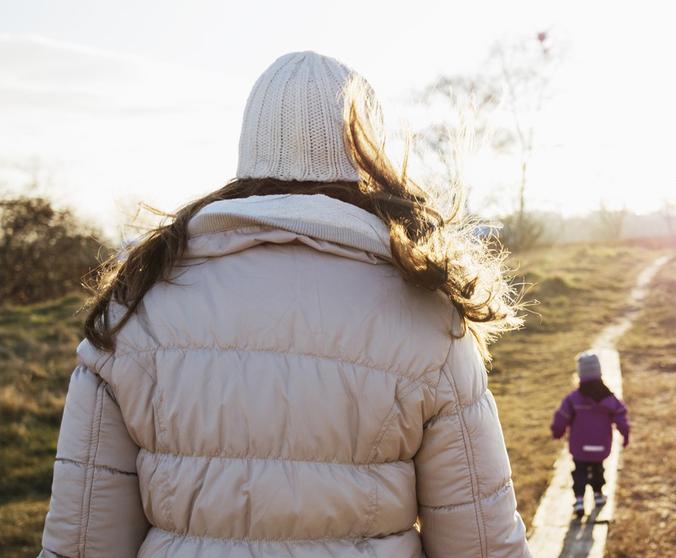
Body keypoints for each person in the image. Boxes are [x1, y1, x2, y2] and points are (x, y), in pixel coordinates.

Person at [38, 51, 531, 558]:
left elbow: (81, 543)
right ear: (365, 152)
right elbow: (483, 545)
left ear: (249, 149)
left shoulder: (139, 304)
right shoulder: (427, 314)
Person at [550, 352, 630, 518]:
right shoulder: (609, 399)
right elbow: (621, 415)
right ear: (599, 373)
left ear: (580, 375)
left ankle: (579, 500)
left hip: (579, 446)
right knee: (598, 468)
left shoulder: (573, 399)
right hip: (601, 445)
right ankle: (598, 495)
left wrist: (557, 432)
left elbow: (562, 417)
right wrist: (625, 434)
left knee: (579, 471)